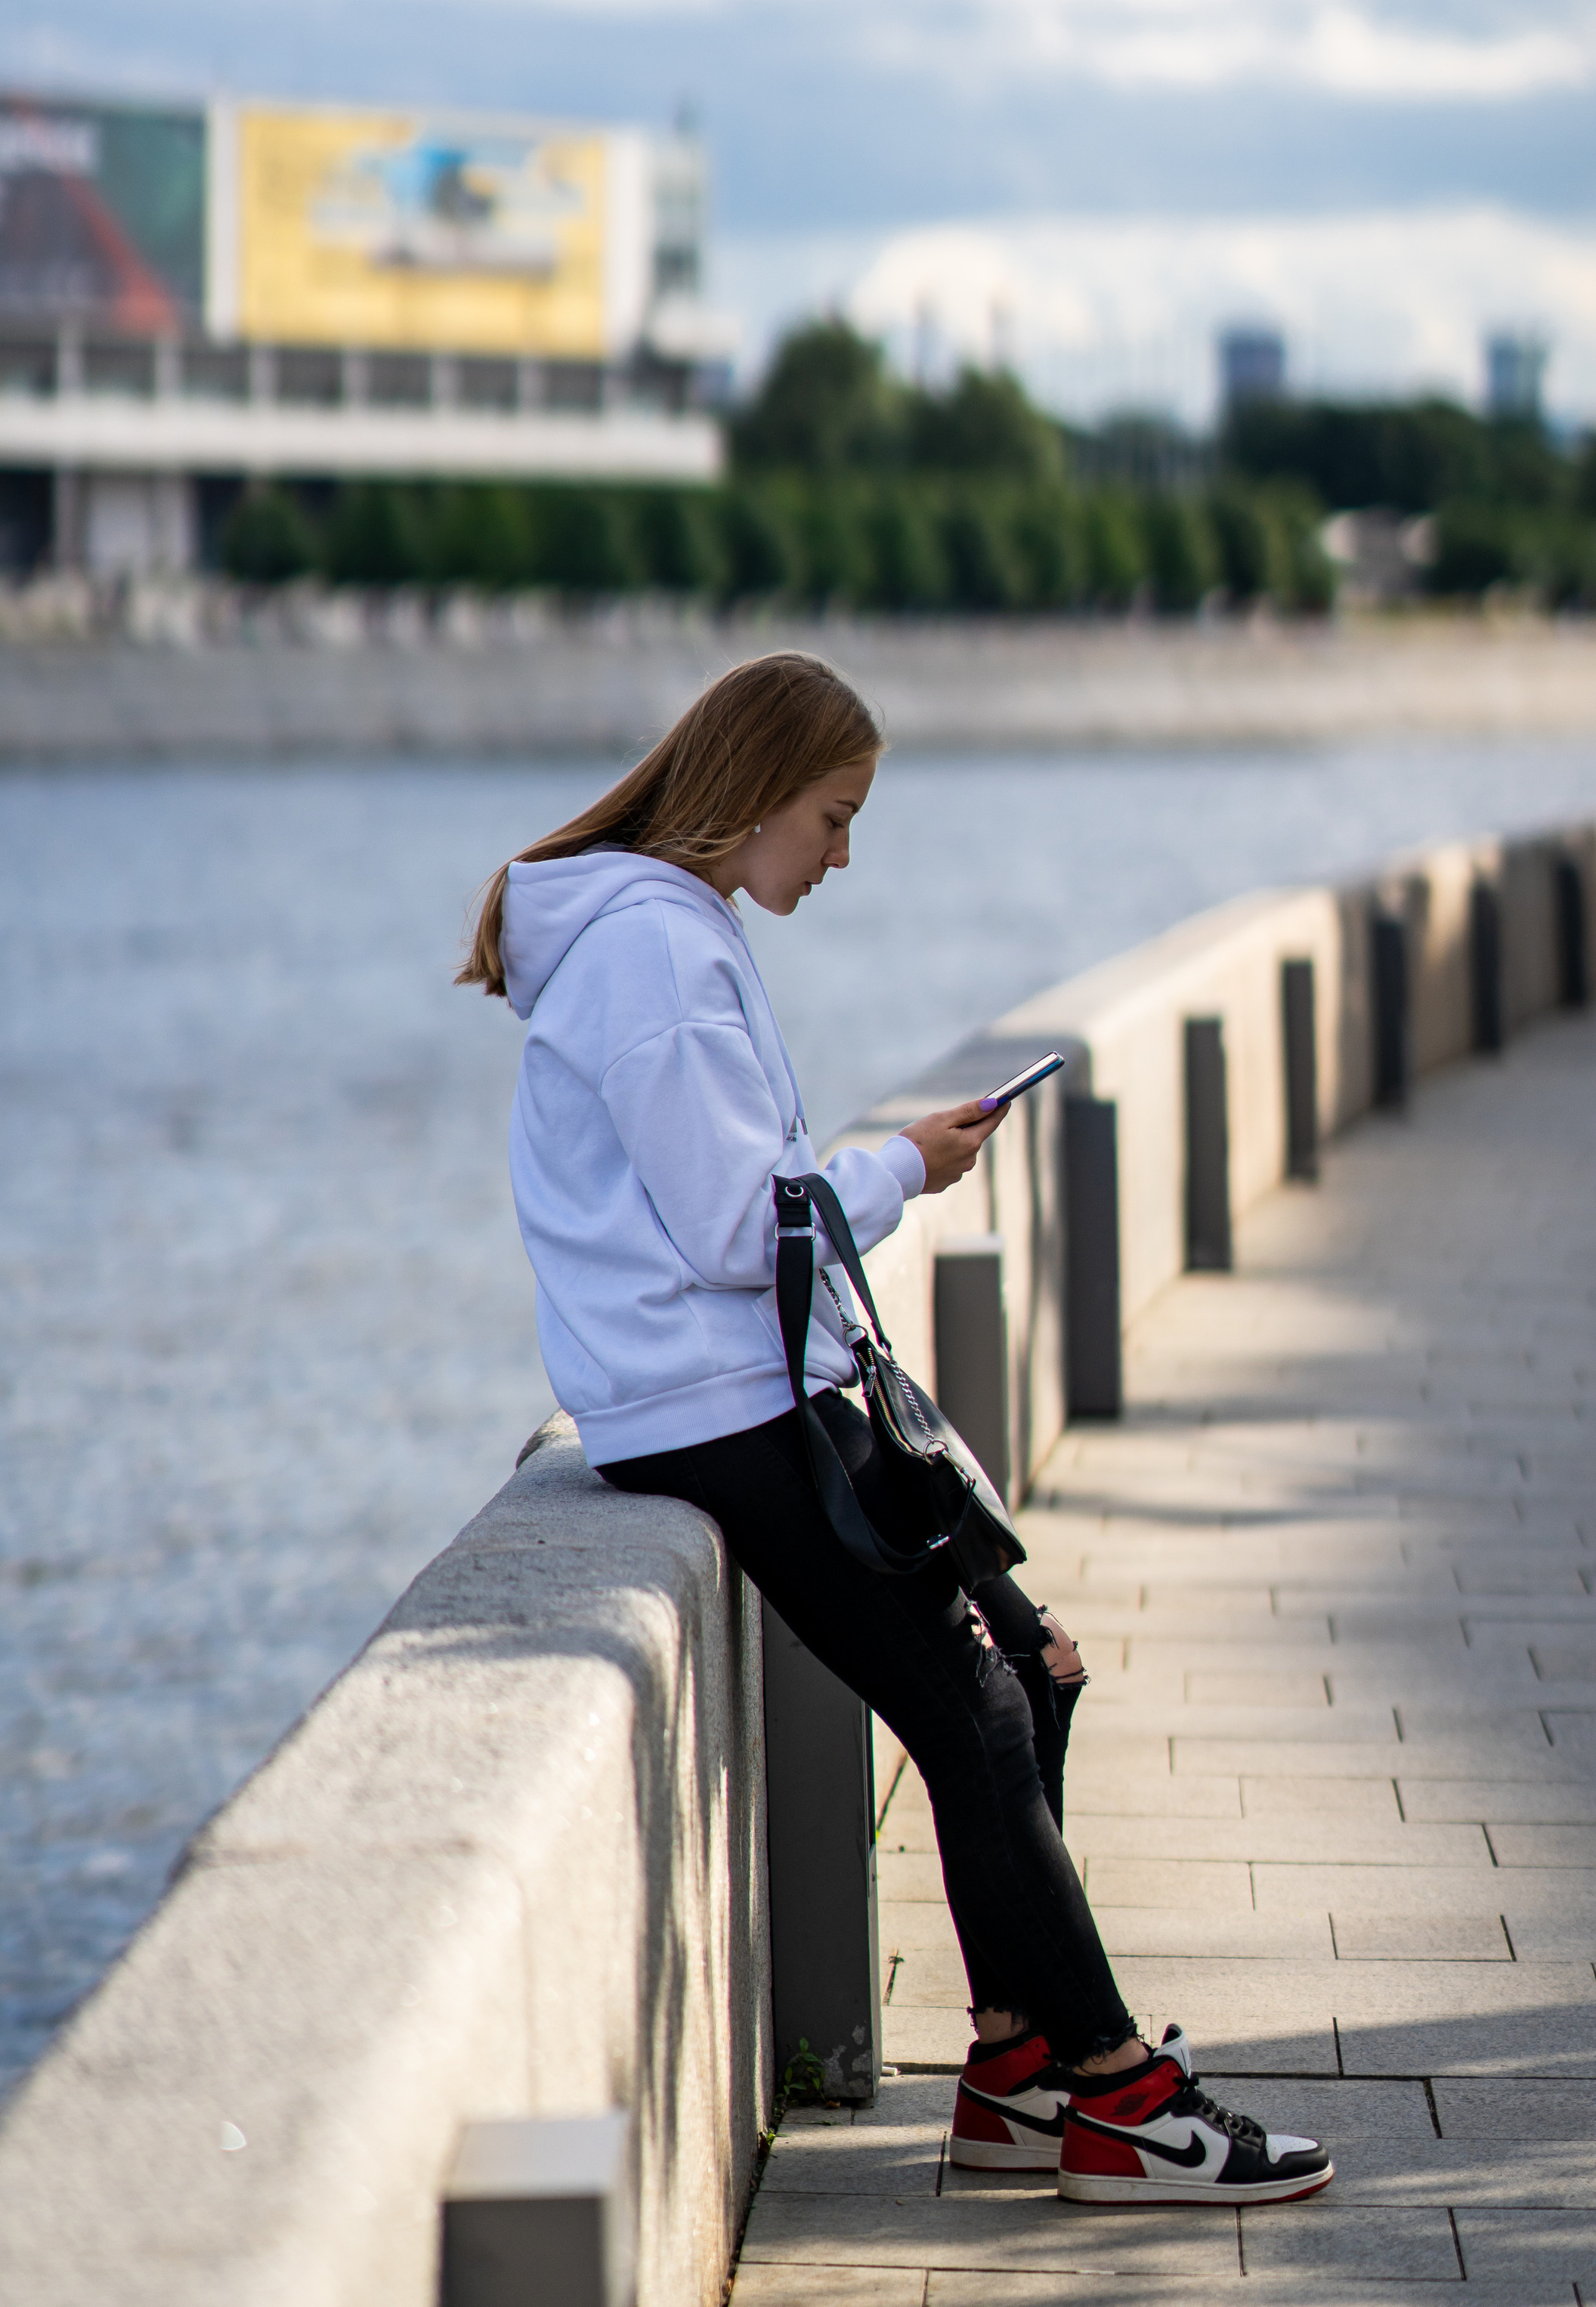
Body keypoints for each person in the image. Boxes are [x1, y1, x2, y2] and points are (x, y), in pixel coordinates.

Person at [462, 650, 1332, 2209]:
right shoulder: (653, 952)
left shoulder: (663, 930)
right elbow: (738, 1226)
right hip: (719, 1408)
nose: (843, 856)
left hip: (758, 1391)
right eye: (833, 816)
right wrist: (901, 1170)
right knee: (975, 1711)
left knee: (1029, 1669)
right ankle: (1119, 2101)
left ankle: (1010, 2075)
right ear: (749, 796)